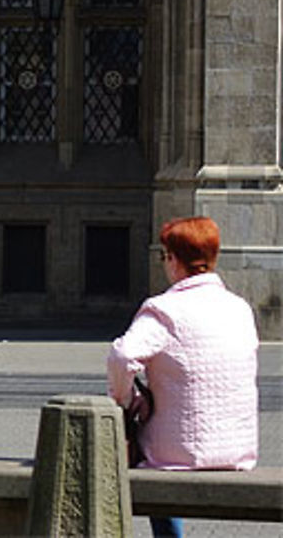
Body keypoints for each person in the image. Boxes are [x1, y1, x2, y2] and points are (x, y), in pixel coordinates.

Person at [107, 216, 258, 538]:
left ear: (173, 260)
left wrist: (126, 400)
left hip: (180, 453)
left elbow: (122, 357)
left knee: (139, 459)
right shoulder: (240, 308)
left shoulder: (164, 309)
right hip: (239, 449)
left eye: (165, 256)